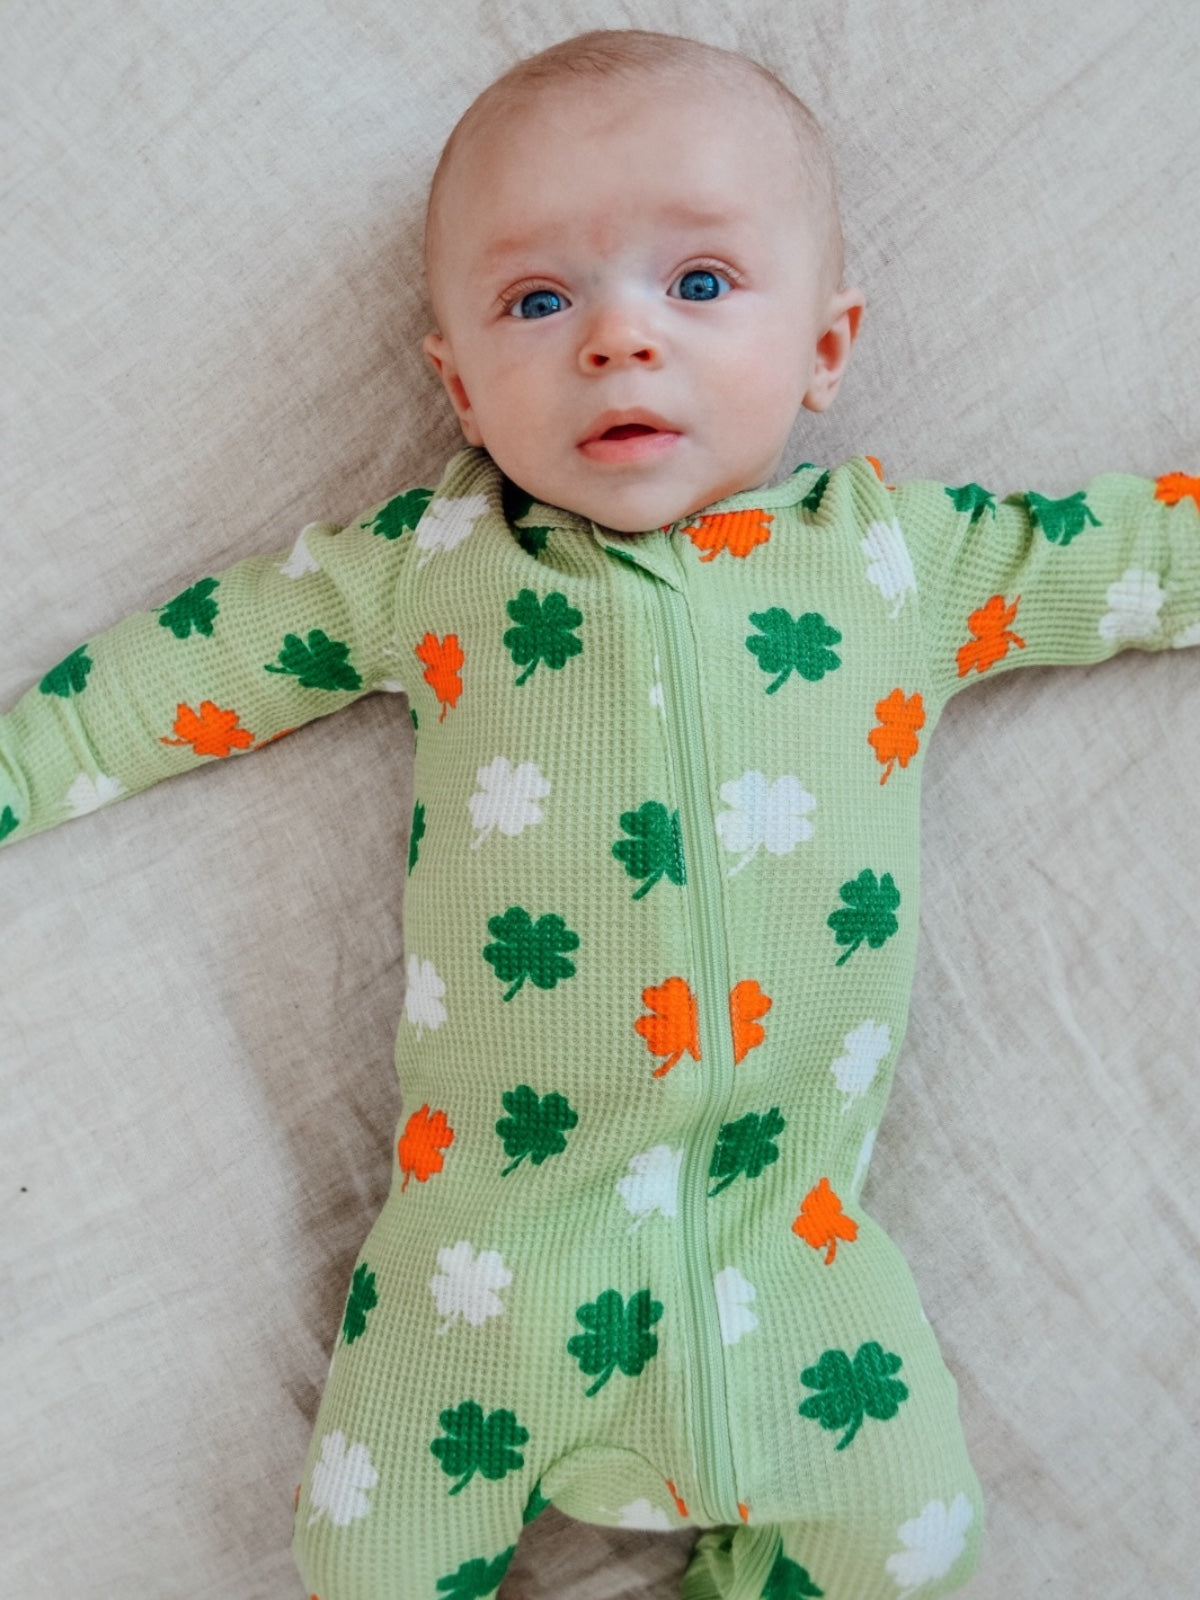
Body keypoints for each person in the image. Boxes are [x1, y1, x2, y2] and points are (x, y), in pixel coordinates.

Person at [2, 27, 1197, 1600]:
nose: (620, 340)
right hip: (489, 1247)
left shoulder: (909, 559)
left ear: (827, 347)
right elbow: (197, 659)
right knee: (365, 1563)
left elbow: (1139, 557)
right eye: (539, 301)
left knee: (912, 1542)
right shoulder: (433, 571)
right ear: (455, 377)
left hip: (788, 1248)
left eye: (699, 285)